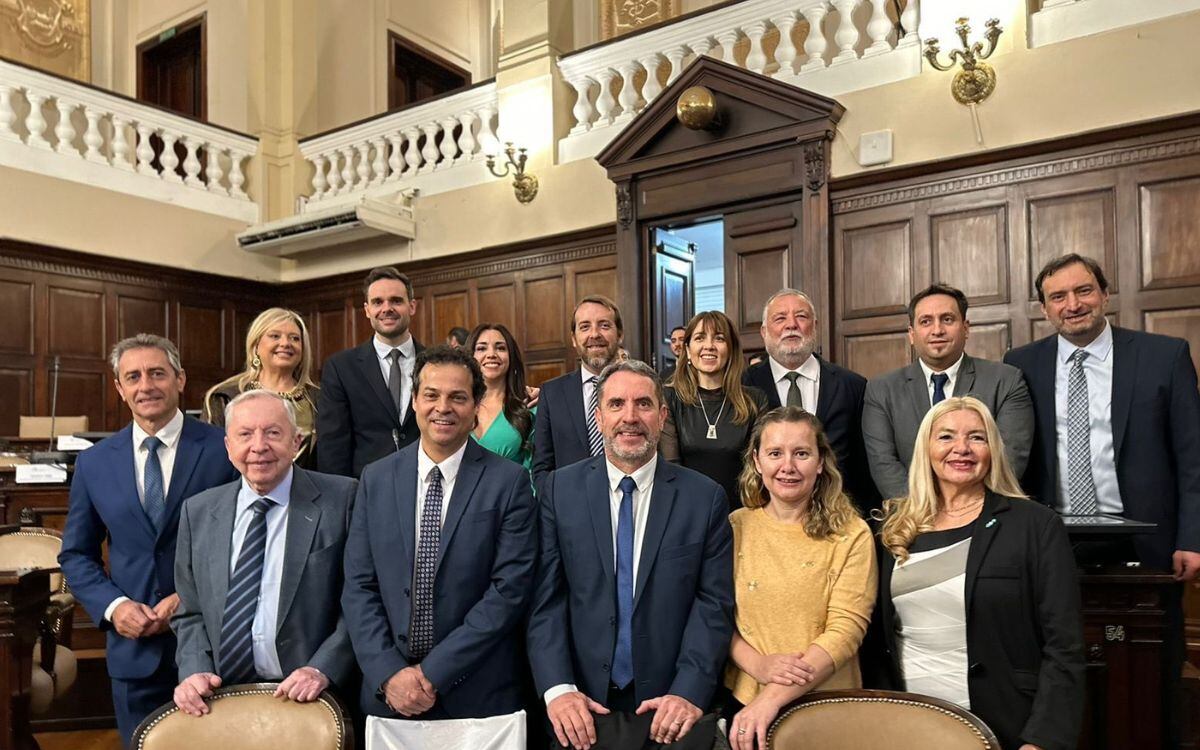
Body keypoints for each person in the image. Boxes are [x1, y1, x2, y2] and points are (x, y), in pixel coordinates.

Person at [1003, 253, 1200, 744]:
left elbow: (1193, 456)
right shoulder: (1021, 365)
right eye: (1058, 297)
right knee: (1064, 664)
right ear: (1044, 308)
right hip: (1055, 542)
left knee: (1159, 671)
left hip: (1149, 544)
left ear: (1105, 294)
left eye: (1083, 290)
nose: (1073, 304)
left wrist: (1192, 536)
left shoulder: (1164, 355)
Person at [528, 360, 734, 750]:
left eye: (643, 404)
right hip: (580, 706)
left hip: (672, 707)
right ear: (599, 415)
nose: (630, 417)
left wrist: (689, 691)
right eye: (617, 404)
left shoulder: (703, 498)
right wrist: (558, 689)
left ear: (662, 415)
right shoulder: (559, 490)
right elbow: (545, 600)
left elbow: (713, 605)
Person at [871, 397, 1084, 750]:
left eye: (977, 437)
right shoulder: (894, 527)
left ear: (992, 449)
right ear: (925, 447)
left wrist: (1042, 739)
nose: (962, 449)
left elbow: (1065, 646)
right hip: (907, 725)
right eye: (946, 437)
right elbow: (878, 643)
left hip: (1006, 725)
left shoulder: (1034, 525)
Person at [59, 334, 238, 746]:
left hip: (213, 645)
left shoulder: (224, 449)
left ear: (180, 380)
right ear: (120, 389)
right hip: (132, 650)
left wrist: (186, 597)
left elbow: (245, 541)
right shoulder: (94, 463)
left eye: (157, 373)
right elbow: (76, 553)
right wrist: (114, 606)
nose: (146, 386)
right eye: (133, 377)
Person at [342, 345, 537, 719]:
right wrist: (389, 672)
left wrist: (433, 673)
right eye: (431, 395)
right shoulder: (376, 479)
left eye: (458, 397)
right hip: (388, 694)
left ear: (477, 404)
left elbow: (509, 591)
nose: (442, 407)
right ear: (414, 400)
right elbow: (358, 586)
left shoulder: (509, 482)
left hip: (478, 693)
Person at [172, 391, 356, 714]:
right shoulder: (197, 512)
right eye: (245, 435)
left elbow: (361, 601)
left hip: (311, 696)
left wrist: (323, 668)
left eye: (273, 433)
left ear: (296, 442)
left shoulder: (342, 501)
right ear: (229, 448)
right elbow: (190, 611)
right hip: (221, 698)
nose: (259, 446)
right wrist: (193, 669)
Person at [724, 407, 876, 749]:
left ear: (821, 461)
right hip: (745, 706)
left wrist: (772, 699)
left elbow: (846, 630)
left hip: (827, 708)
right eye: (775, 453)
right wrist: (758, 666)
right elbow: (715, 616)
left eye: (802, 453)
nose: (788, 467)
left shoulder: (852, 533)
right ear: (757, 460)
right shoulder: (735, 526)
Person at [862, 284, 1033, 500]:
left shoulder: (1006, 380)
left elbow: (1010, 459)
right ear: (912, 334)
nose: (937, 330)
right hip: (913, 519)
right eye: (926, 321)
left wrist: (965, 513)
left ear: (966, 328)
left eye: (947, 319)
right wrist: (925, 513)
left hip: (985, 517)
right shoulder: (881, 390)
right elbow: (883, 464)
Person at [743, 289, 879, 513]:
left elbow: (865, 464)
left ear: (814, 326)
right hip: (766, 519)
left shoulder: (853, 386)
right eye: (780, 318)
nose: (791, 325)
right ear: (764, 331)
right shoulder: (743, 387)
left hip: (839, 517)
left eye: (801, 316)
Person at [317, 267, 425, 477]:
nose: (387, 308)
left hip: (427, 487)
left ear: (412, 306)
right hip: (366, 490)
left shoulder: (435, 362)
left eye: (396, 300)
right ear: (367, 310)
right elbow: (332, 445)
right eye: (378, 302)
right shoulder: (341, 368)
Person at [660, 311, 768, 507]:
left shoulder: (756, 400)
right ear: (688, 349)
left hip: (743, 512)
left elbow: (758, 468)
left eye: (719, 338)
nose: (709, 345)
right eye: (700, 338)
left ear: (731, 348)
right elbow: (671, 470)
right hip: (686, 511)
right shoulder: (669, 398)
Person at [202, 307, 320, 468]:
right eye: (275, 336)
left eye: (294, 338)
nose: (285, 343)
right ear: (255, 346)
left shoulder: (320, 398)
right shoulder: (225, 397)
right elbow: (210, 460)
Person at [531, 294, 625, 496]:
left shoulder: (640, 390)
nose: (595, 334)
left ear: (620, 334)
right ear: (574, 339)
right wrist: (556, 506)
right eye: (585, 327)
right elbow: (541, 467)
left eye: (604, 325)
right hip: (569, 510)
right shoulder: (551, 393)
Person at [466, 323, 536, 469]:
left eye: (500, 348)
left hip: (512, 491)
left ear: (511, 357)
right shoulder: (456, 406)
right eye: (481, 348)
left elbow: (535, 470)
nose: (491, 354)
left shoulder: (530, 406)